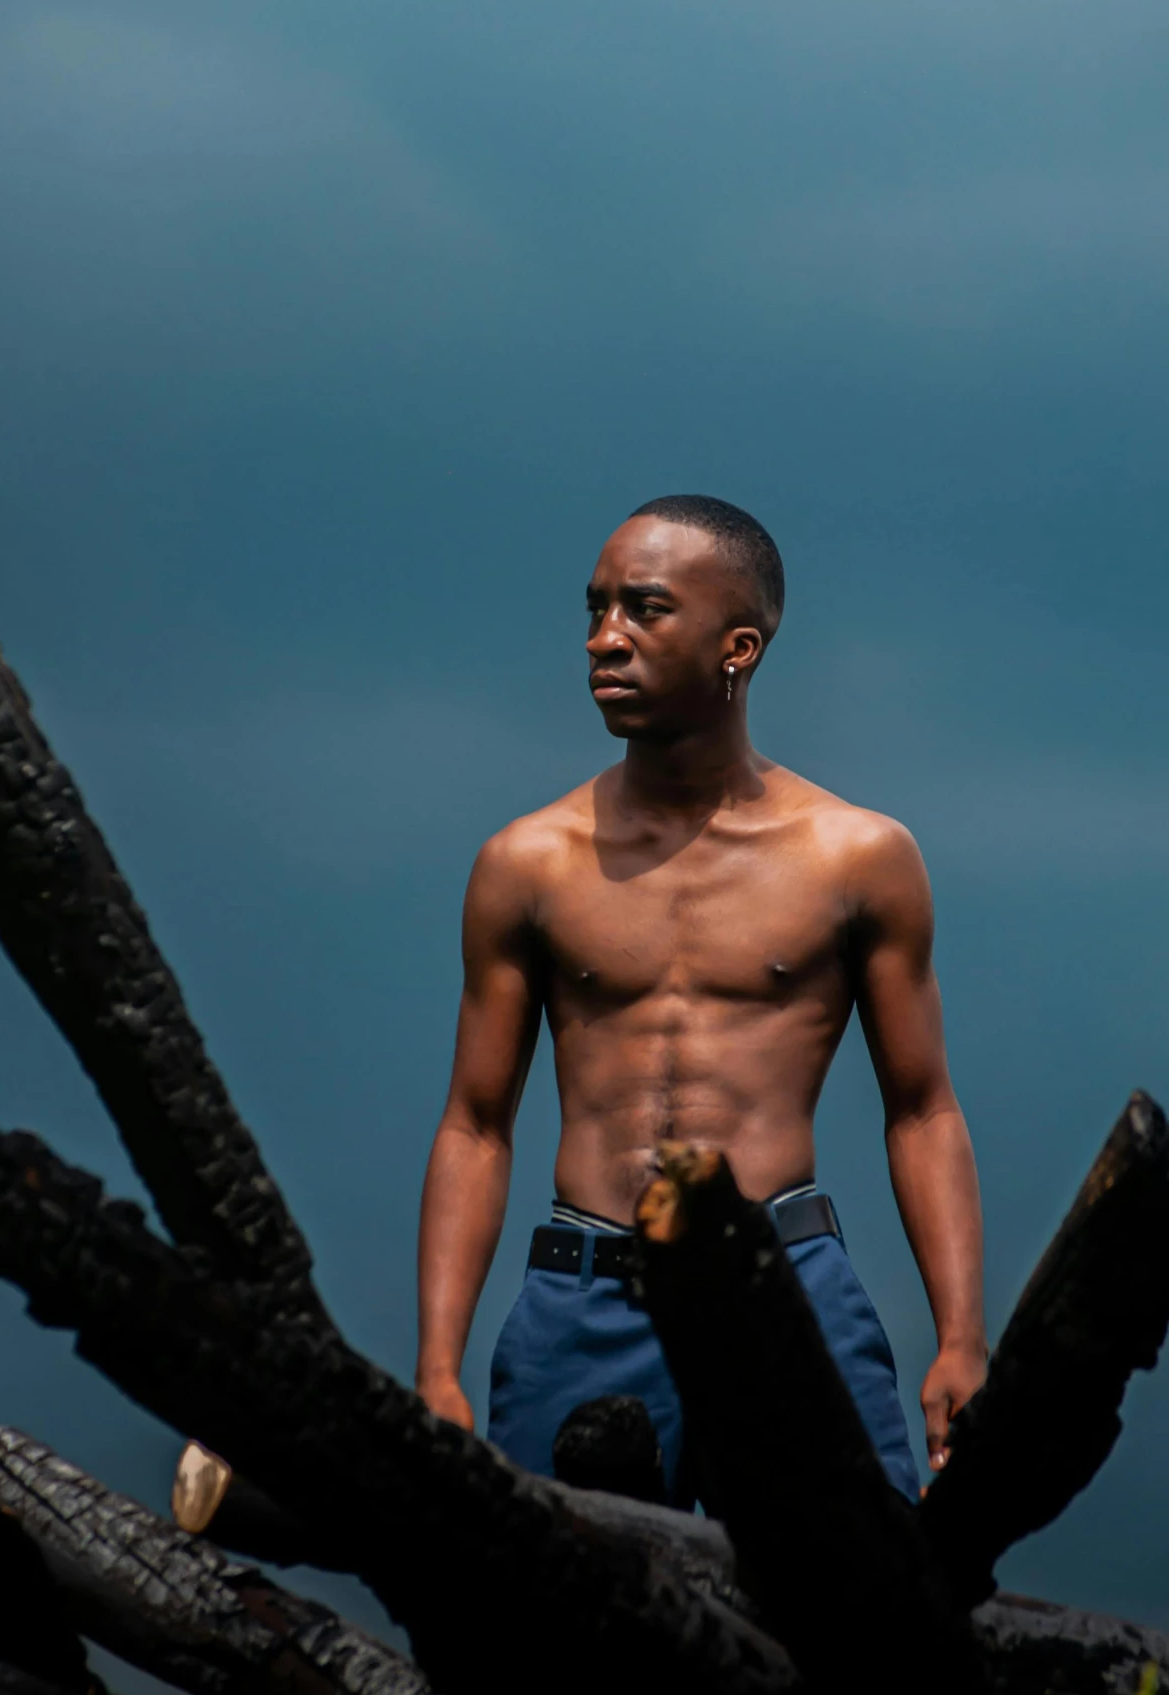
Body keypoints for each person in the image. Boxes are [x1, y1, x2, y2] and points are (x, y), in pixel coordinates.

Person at [415, 495, 987, 1505]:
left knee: (859, 1613)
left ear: (738, 647)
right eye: (594, 611)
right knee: (541, 1628)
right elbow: (474, 1123)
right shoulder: (527, 864)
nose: (604, 640)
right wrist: (436, 1371)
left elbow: (922, 1107)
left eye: (643, 610)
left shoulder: (855, 856)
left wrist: (960, 1340)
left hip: (787, 1289)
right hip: (585, 1293)